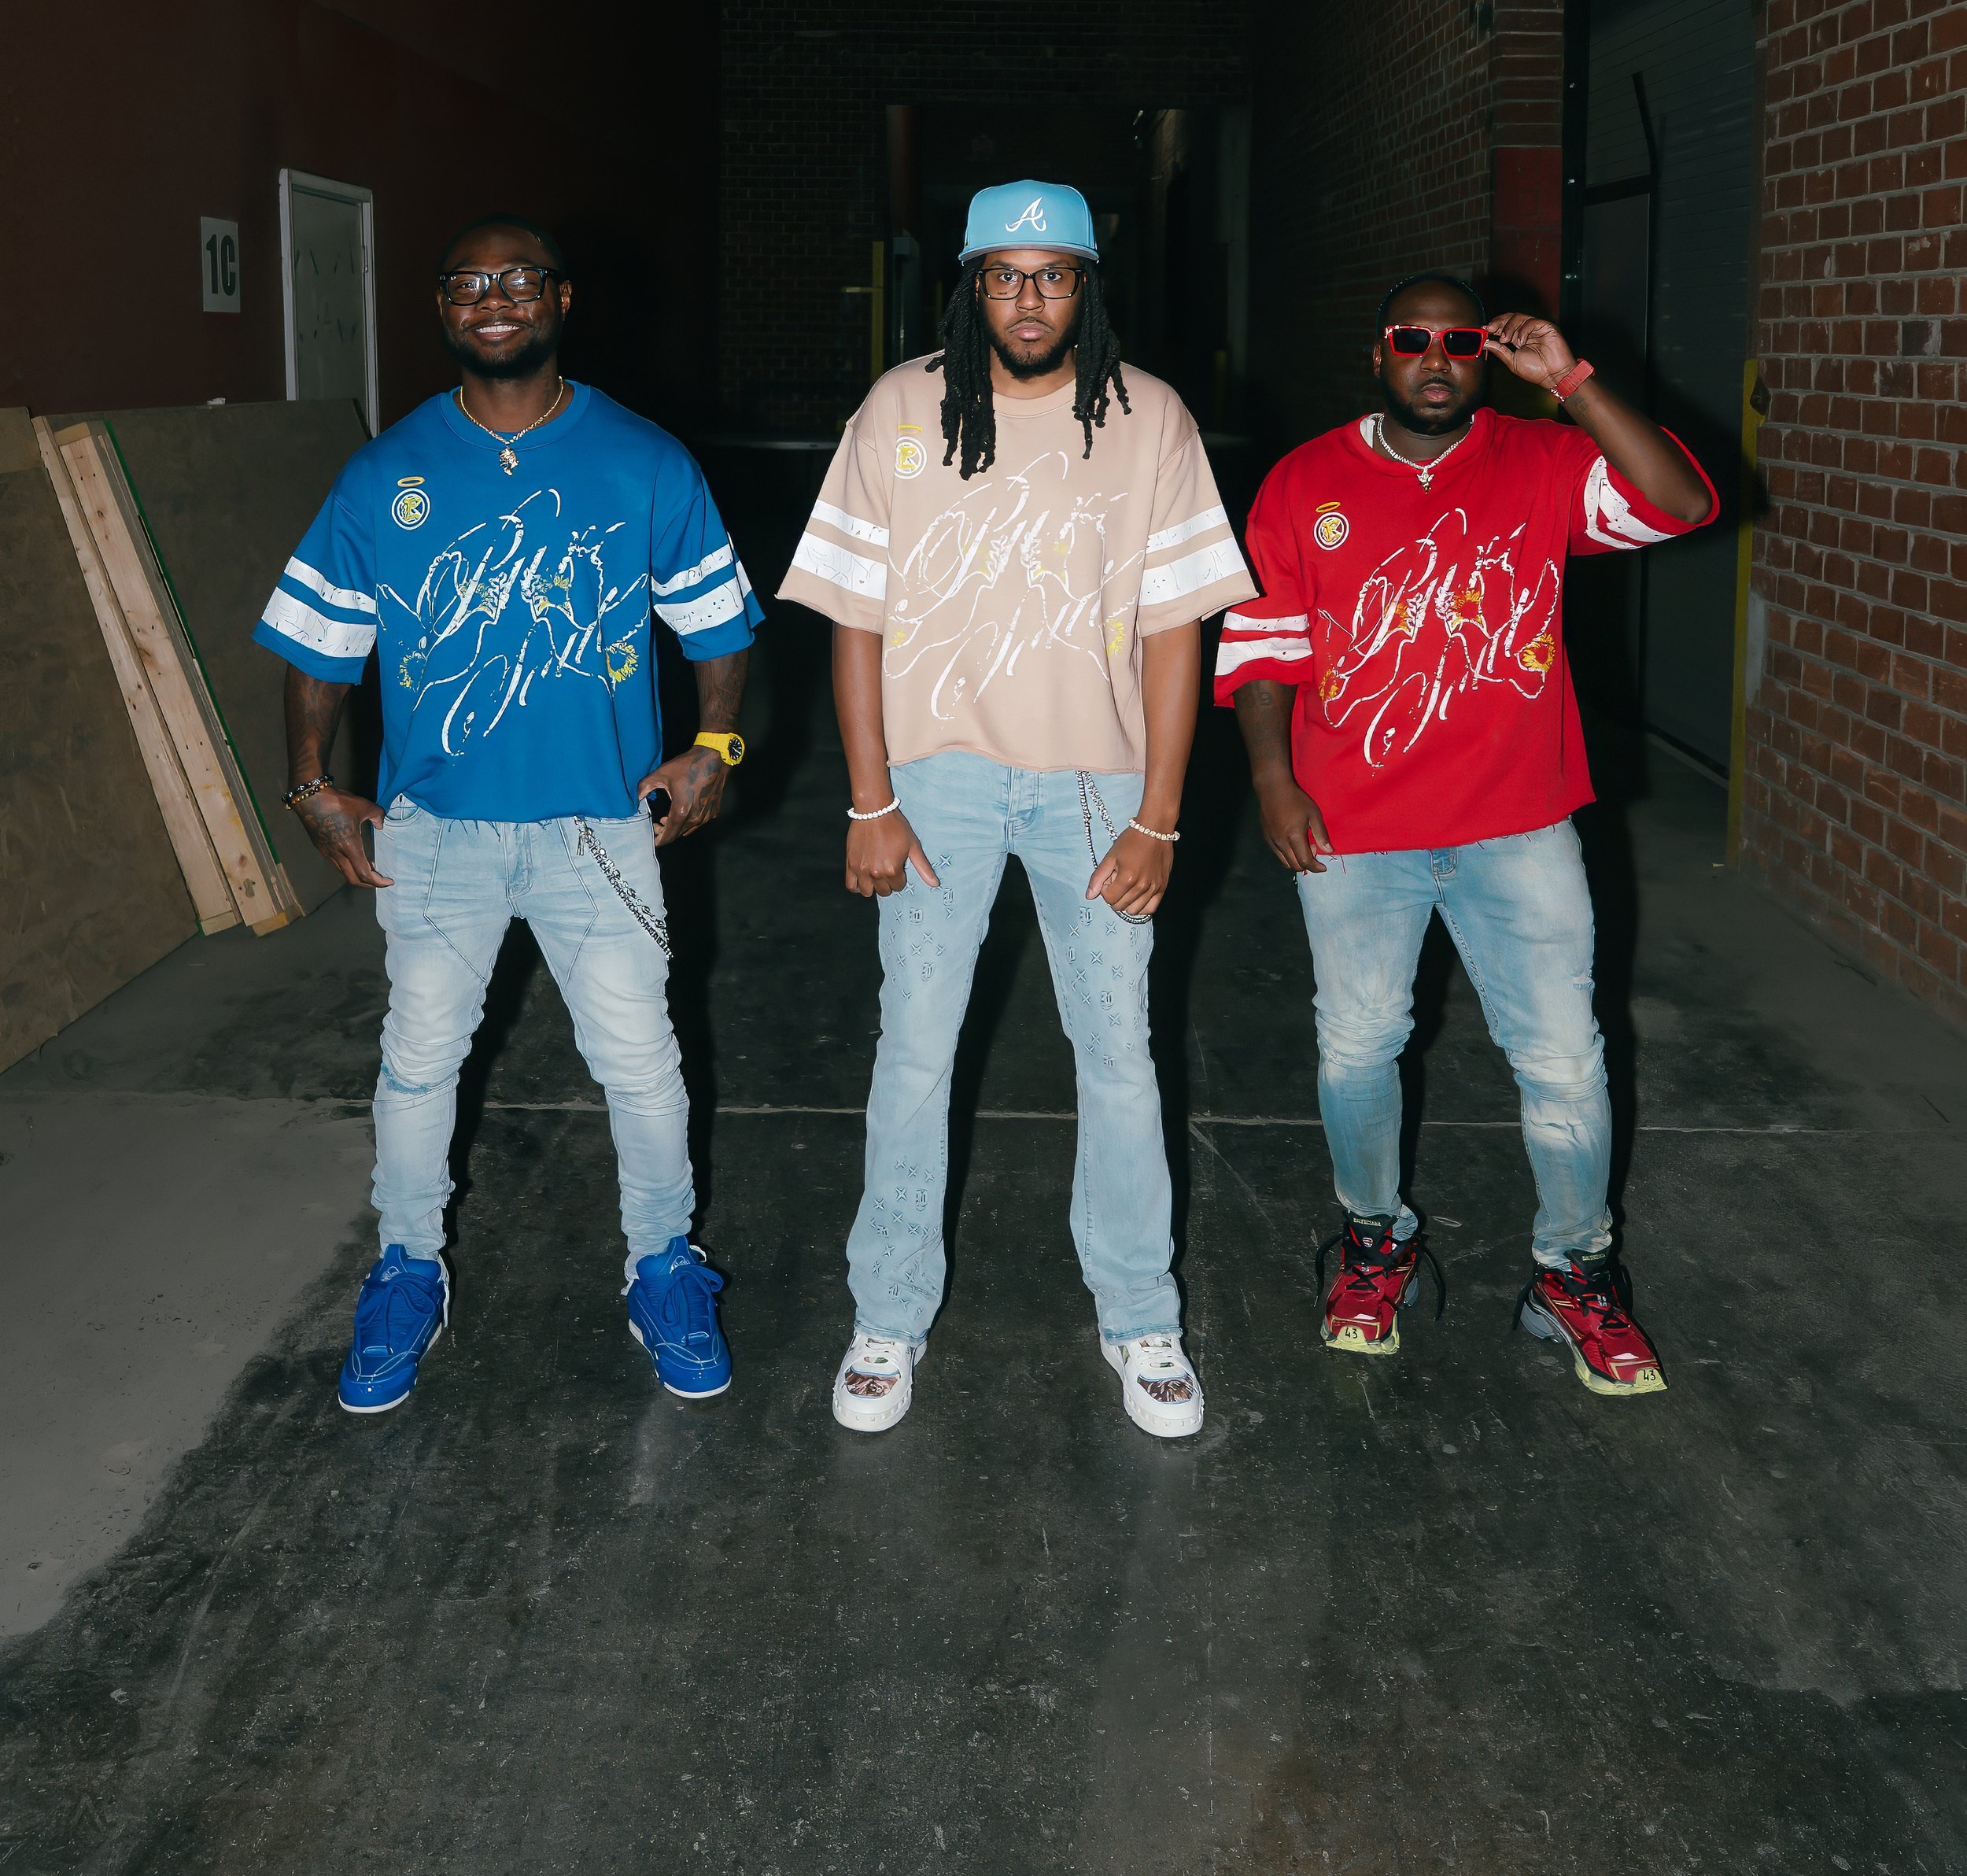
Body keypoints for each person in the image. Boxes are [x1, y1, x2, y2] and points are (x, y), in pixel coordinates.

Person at [256, 215, 762, 1417]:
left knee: (640, 1066)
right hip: (438, 833)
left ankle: (661, 1265)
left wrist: (715, 744)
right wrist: (312, 783)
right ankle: (407, 1267)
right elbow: (323, 640)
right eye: (469, 284)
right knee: (420, 1064)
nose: (495, 299)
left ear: (562, 300)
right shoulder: (385, 474)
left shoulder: (642, 459)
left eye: (519, 280)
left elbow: (719, 623)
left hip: (600, 829)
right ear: (441, 309)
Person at [780, 182, 1253, 1440]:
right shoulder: (899, 407)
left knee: (1120, 1058)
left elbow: (1176, 630)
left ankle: (1140, 1313)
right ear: (971, 282)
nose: (1029, 298)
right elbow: (853, 619)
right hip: (935, 778)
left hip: (1097, 787)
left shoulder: (1150, 418)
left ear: (1087, 284)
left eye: (1054, 275)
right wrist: (867, 798)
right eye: (1006, 273)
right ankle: (887, 1312)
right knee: (915, 1055)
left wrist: (1158, 817)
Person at [1216, 275, 1716, 1399]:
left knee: (1563, 1062)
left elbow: (1679, 502)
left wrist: (1573, 382)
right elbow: (1262, 646)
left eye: (1458, 343)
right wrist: (1271, 779)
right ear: (1377, 354)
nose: (1435, 360)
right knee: (1357, 1048)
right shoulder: (1305, 481)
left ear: (1485, 357)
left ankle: (1573, 1271)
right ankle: (1375, 1241)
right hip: (1356, 823)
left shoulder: (1539, 457)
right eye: (1412, 341)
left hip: (1518, 823)